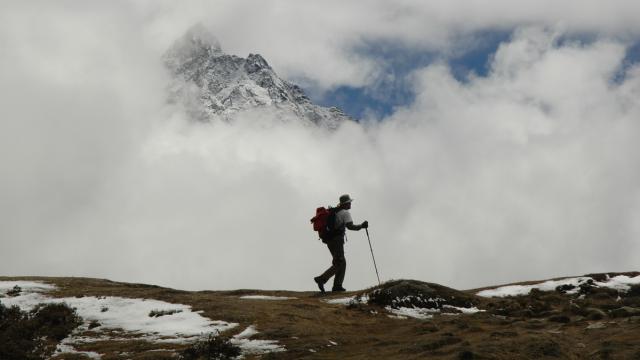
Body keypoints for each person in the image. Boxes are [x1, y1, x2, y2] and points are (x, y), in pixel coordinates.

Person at [314, 194, 368, 293]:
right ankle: (322, 279)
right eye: (349, 202)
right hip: (337, 240)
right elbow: (350, 227)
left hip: (329, 240)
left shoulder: (334, 211)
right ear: (346, 203)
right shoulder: (345, 213)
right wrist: (362, 226)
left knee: (341, 262)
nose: (350, 204)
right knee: (339, 262)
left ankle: (337, 286)